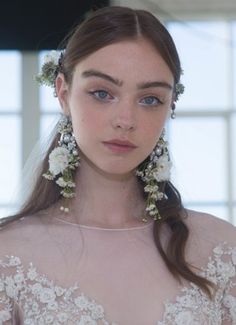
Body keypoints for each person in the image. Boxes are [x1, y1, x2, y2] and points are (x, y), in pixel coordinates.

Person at [0, 5, 235, 325]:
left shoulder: (220, 248)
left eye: (150, 99)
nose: (126, 121)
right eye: (102, 93)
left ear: (170, 107)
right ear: (63, 93)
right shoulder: (8, 255)